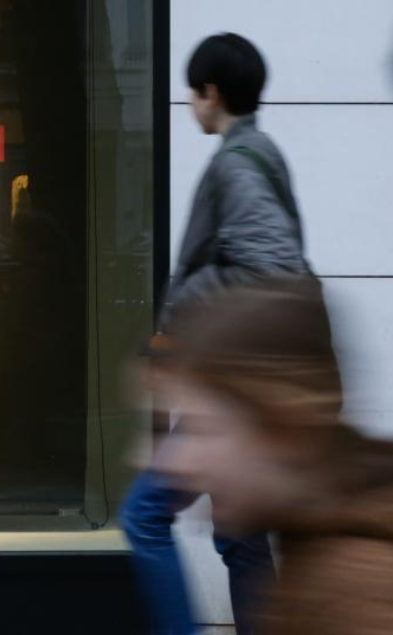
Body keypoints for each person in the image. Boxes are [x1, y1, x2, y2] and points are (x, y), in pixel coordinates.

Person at [147, 277, 393, 635]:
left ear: (284, 429)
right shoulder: (324, 545)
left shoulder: (369, 590)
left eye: (201, 429)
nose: (175, 462)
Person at [123, 33, 306, 635]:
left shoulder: (237, 164)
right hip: (249, 391)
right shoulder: (261, 153)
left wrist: (180, 315)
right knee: (241, 540)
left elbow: (272, 268)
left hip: (233, 397)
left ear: (213, 93)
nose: (189, 104)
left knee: (143, 517)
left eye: (192, 93)